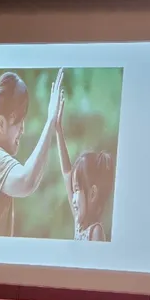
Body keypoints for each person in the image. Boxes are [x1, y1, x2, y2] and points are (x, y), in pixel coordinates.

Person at [0, 68, 64, 236]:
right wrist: (50, 121)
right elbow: (26, 180)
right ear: (1, 124)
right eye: (19, 121)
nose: (23, 129)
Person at [55, 92, 115, 241]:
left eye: (76, 190)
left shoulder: (95, 231)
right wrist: (58, 129)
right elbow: (67, 172)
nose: (73, 198)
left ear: (92, 193)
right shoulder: (79, 223)